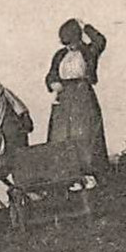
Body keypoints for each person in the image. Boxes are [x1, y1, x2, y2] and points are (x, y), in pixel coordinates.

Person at [44, 18, 109, 175]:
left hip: (83, 95)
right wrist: (53, 83)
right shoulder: (60, 55)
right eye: (66, 43)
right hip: (63, 98)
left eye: (71, 42)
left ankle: (89, 174)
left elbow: (100, 41)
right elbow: (50, 75)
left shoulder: (88, 51)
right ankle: (65, 176)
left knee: (85, 136)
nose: (69, 46)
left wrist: (84, 25)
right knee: (60, 136)